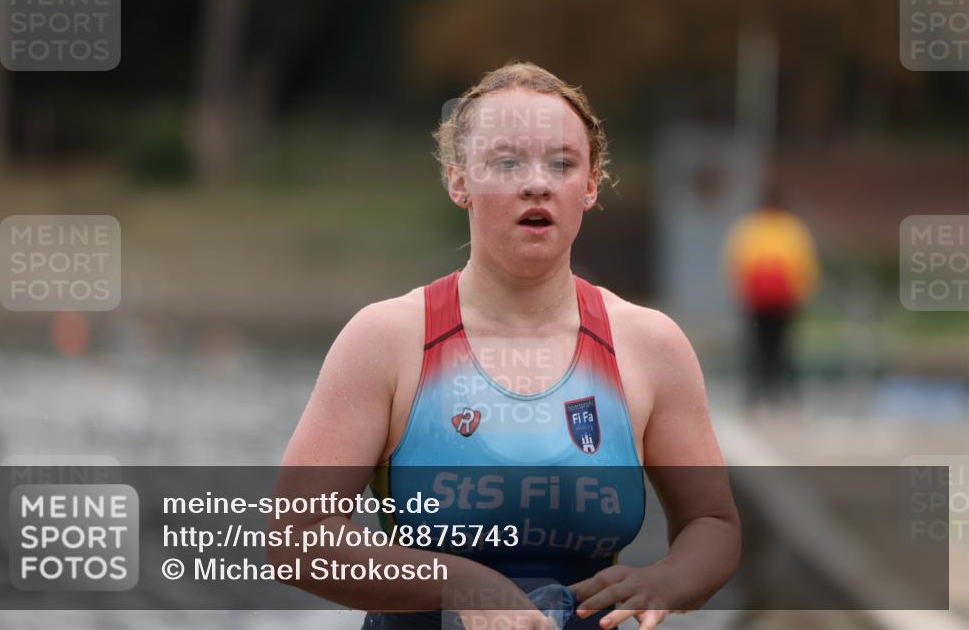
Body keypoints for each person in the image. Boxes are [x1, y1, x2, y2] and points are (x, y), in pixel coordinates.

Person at [271, 62, 740, 630]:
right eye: (506, 162)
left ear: (590, 186)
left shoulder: (649, 344)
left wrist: (664, 582)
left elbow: (713, 524)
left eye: (561, 163)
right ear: (458, 181)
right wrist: (459, 584)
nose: (537, 182)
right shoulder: (386, 340)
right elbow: (295, 538)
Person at [723, 187, 820, 411]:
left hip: (759, 303)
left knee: (759, 350)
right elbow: (805, 266)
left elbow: (736, 264)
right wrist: (802, 295)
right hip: (782, 303)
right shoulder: (792, 229)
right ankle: (783, 399)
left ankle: (758, 399)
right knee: (781, 350)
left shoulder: (749, 228)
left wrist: (739, 294)